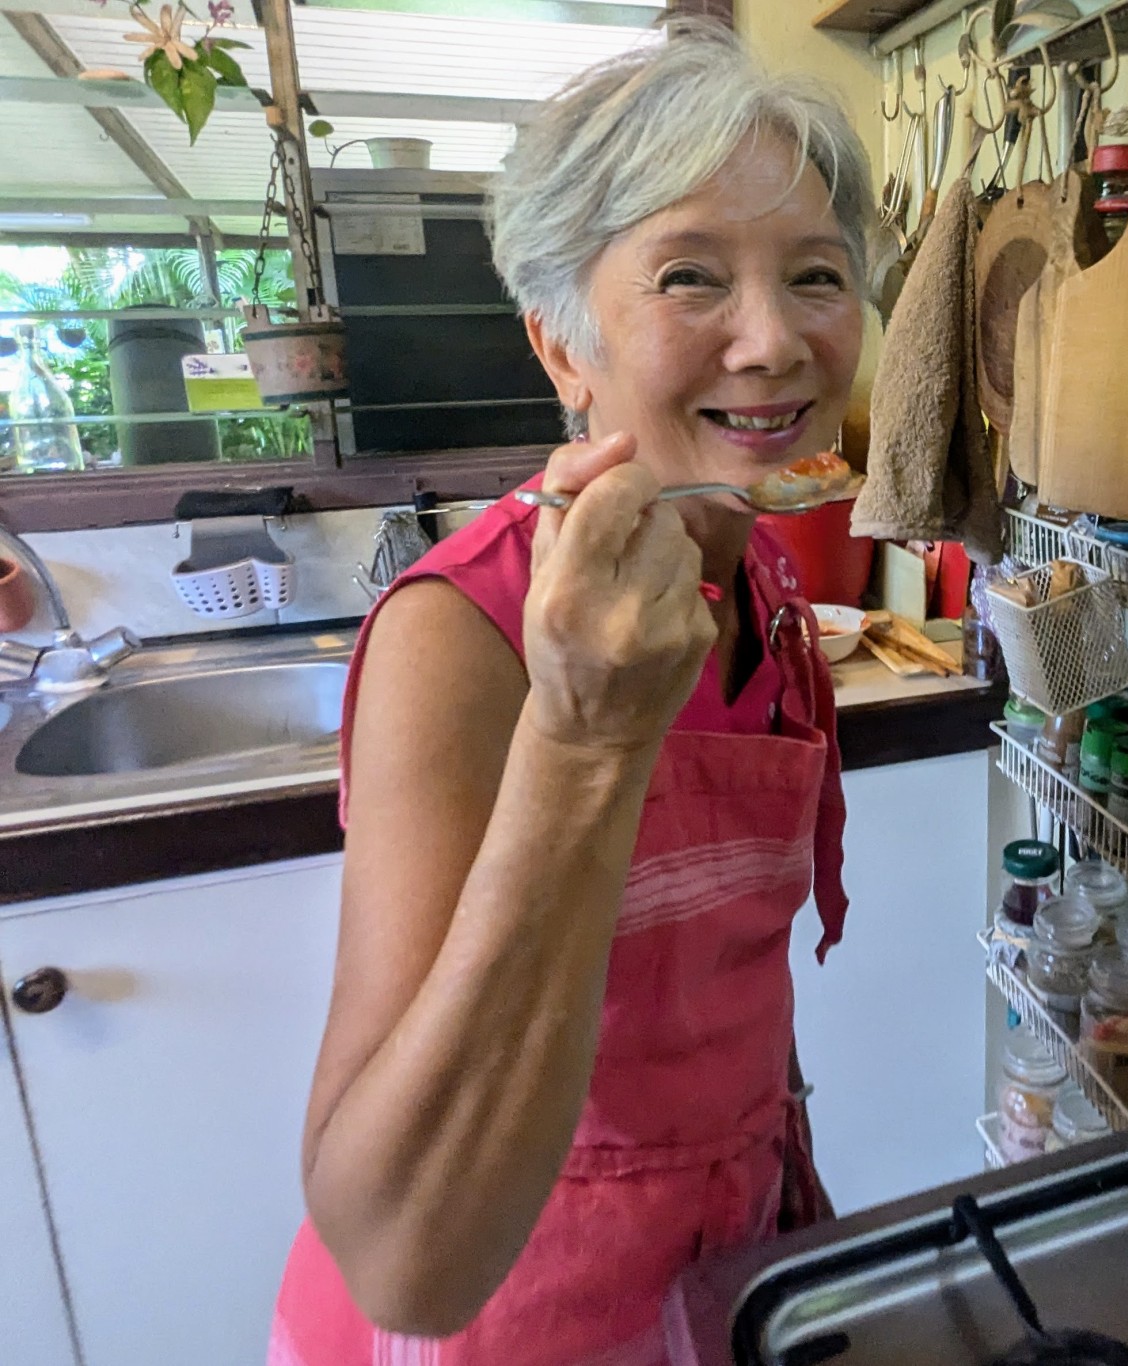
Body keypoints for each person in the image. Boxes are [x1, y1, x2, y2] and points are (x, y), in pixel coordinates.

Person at [270, 22, 873, 1365]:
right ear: (563, 348)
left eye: (817, 276)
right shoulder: (459, 638)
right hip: (518, 1315)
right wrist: (585, 736)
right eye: (691, 278)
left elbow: (723, 1002)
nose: (774, 341)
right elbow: (405, 1251)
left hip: (724, 1276)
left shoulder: (764, 580)